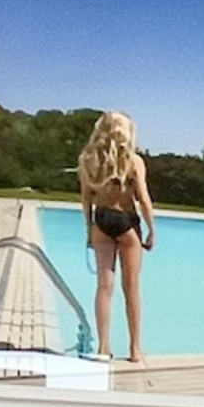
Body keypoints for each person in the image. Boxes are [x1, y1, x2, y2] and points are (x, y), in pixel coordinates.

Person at [76, 112, 157, 363]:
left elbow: (86, 199)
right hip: (126, 222)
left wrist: (89, 227)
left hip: (101, 220)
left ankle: (103, 347)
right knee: (131, 289)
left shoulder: (88, 160)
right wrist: (152, 229)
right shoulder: (133, 161)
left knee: (104, 286)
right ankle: (134, 349)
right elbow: (143, 199)